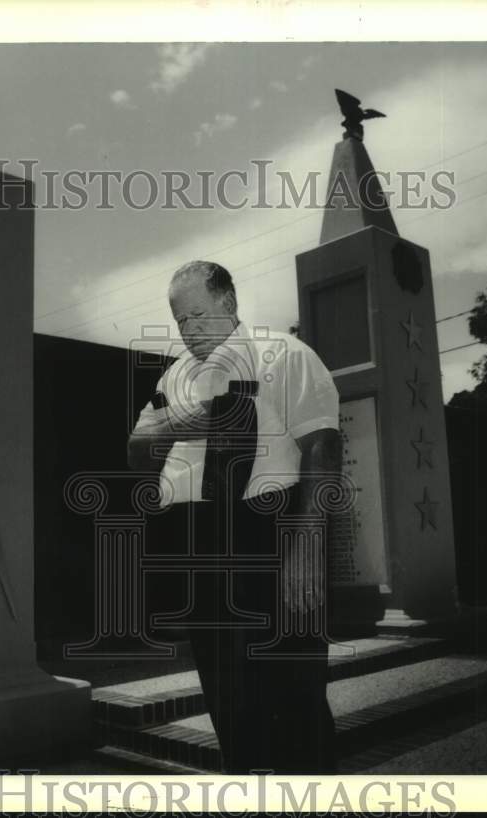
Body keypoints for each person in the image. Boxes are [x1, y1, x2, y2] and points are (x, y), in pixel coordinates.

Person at [127, 259, 341, 774]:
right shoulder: (175, 377)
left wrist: (306, 543)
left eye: (198, 316)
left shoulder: (284, 355)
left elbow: (322, 446)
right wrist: (182, 422)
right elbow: (136, 451)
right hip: (201, 545)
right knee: (229, 704)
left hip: (270, 534)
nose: (189, 330)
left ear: (229, 303)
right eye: (180, 321)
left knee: (295, 703)